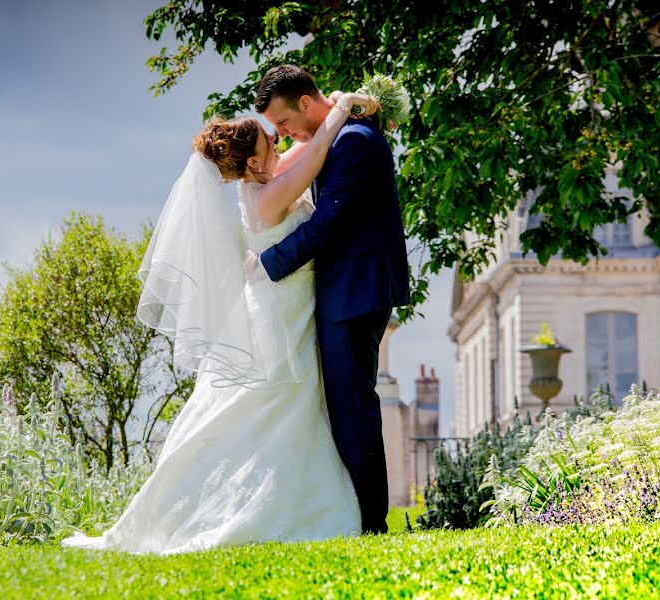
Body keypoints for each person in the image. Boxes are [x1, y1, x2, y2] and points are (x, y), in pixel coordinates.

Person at [60, 82, 383, 554]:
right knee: (272, 406)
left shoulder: (264, 183)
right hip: (282, 315)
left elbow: (306, 149)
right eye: (272, 141)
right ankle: (279, 507)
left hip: (288, 306)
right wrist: (344, 105)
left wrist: (330, 102)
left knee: (272, 410)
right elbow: (313, 155)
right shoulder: (269, 196)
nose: (281, 141)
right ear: (254, 162)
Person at [248, 65, 411, 535]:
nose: (282, 134)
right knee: (345, 405)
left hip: (355, 293)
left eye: (282, 123)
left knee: (352, 406)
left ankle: (370, 524)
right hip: (347, 291)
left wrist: (268, 263)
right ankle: (358, 518)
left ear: (304, 103)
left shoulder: (353, 142)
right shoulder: (339, 135)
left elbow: (329, 224)